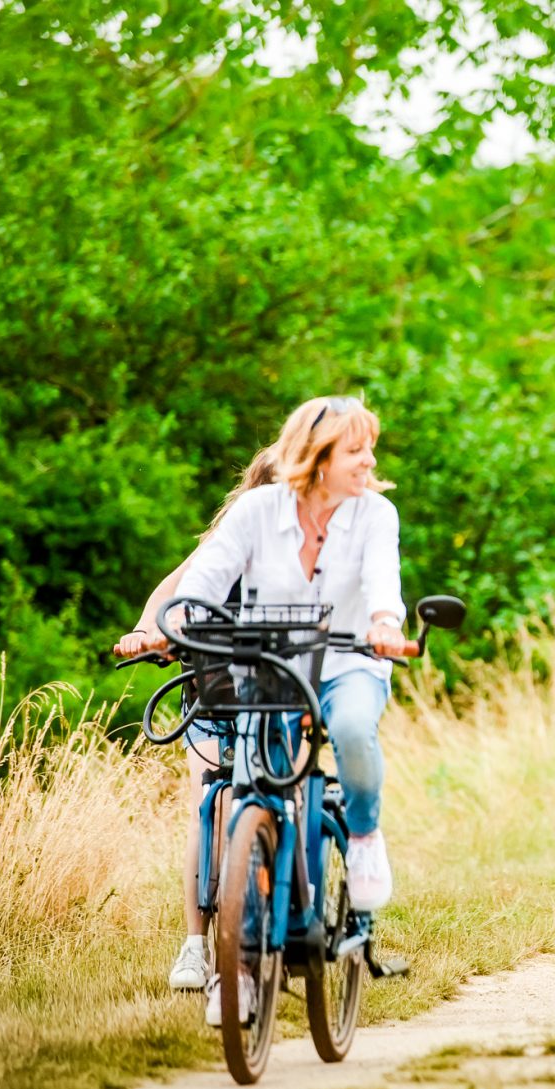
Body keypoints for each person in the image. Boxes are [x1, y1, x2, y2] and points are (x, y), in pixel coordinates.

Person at [165, 395, 408, 1024]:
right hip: (269, 668)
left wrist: (385, 622)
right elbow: (206, 579)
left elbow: (384, 583)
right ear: (318, 458)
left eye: (368, 447)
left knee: (353, 727)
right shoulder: (255, 511)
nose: (369, 459)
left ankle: (362, 836)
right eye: (356, 450)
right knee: (246, 792)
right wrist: (179, 623)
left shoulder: (376, 515)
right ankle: (238, 973)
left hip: (350, 661)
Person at [115, 456, 276, 995]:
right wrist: (145, 631)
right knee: (206, 807)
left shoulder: (307, 548)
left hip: (274, 697)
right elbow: (170, 592)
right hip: (211, 693)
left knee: (271, 803)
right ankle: (194, 943)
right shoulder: (224, 542)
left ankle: (266, 931)